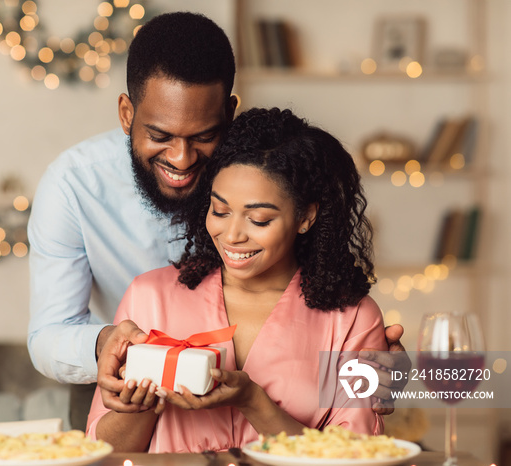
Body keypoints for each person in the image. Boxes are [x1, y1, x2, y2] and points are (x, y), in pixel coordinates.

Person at [27, 11, 409, 431]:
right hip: (115, 377)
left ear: (229, 114)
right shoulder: (74, 185)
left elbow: (354, 438)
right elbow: (50, 332)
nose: (181, 158)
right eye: (160, 136)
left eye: (203, 137)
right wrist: (112, 344)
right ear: (126, 114)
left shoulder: (259, 167)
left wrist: (368, 360)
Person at [87, 107, 388, 452]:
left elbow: (361, 457)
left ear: (306, 216)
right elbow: (98, 450)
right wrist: (139, 404)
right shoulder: (148, 296)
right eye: (220, 211)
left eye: (258, 220)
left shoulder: (357, 319)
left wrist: (253, 402)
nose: (231, 235)